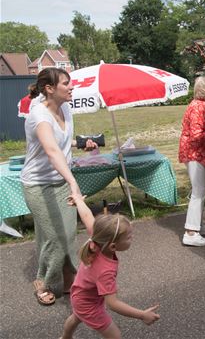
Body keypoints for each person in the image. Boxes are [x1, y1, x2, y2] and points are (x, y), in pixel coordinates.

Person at [20, 67, 97, 306]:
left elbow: (60, 142)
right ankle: (43, 281)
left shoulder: (66, 109)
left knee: (68, 234)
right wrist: (73, 182)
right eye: (66, 83)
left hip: (61, 181)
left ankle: (67, 277)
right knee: (54, 236)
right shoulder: (38, 115)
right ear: (49, 89)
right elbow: (52, 151)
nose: (71, 86)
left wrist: (79, 143)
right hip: (38, 185)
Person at [61, 194, 160, 338]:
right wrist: (142, 315)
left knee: (76, 317)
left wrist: (79, 201)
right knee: (115, 336)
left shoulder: (98, 238)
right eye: (129, 237)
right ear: (113, 246)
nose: (132, 238)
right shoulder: (105, 270)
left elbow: (87, 216)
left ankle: (65, 338)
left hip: (79, 295)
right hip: (88, 303)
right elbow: (112, 303)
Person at [178, 76, 205, 247]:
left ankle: (197, 225)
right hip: (194, 153)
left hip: (196, 153)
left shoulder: (199, 104)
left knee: (199, 190)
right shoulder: (199, 107)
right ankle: (191, 232)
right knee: (198, 191)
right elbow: (196, 135)